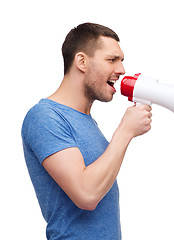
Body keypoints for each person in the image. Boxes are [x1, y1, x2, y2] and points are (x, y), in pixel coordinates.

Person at [21, 22, 152, 239]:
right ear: (82, 61)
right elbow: (87, 194)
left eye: (121, 61)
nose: (121, 70)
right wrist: (126, 131)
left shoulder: (87, 121)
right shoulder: (44, 117)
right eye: (112, 60)